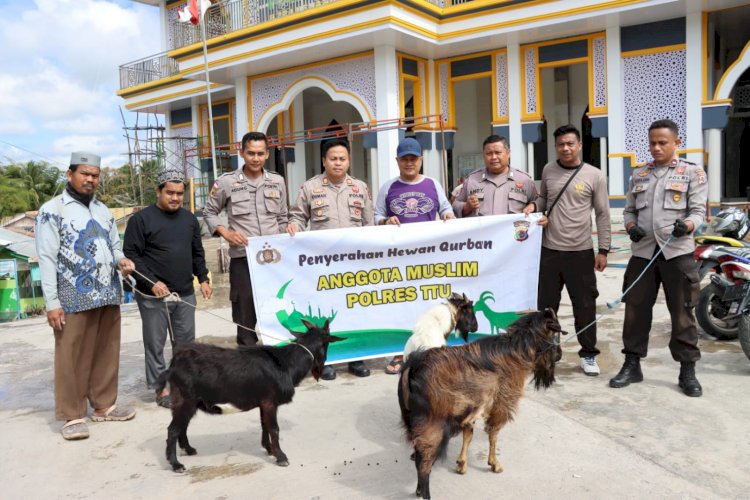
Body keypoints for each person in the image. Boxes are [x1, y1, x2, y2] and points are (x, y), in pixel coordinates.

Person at [36, 151, 137, 441]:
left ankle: (104, 405)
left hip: (107, 291)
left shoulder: (104, 210)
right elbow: (46, 257)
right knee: (71, 355)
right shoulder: (53, 210)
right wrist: (52, 303)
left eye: (95, 175)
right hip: (72, 295)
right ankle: (72, 415)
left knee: (107, 350)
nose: (90, 179)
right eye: (84, 173)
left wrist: (121, 260)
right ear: (70, 174)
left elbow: (114, 245)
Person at [609, 119, 708, 397]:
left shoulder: (692, 172)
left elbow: (699, 211)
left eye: (662, 142)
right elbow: (629, 211)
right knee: (635, 310)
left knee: (683, 312)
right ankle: (632, 364)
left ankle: (687, 370)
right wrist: (631, 228)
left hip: (677, 253)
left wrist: (686, 226)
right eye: (652, 142)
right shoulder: (639, 174)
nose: (656, 147)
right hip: (643, 253)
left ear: (676, 143)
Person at [123, 170, 212, 408]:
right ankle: (160, 388)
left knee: (186, 344)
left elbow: (197, 251)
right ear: (159, 192)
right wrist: (152, 282)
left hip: (184, 293)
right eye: (170, 192)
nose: (175, 198)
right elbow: (132, 255)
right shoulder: (140, 220)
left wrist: (202, 278)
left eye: (179, 193)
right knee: (155, 342)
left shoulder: (189, 219)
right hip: (153, 295)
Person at [287, 137, 373, 380]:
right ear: (324, 161)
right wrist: (293, 225)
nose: (338, 163)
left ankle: (356, 359)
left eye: (342, 159)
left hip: (354, 263)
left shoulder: (360, 188)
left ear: (349, 161)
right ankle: (327, 361)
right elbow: (297, 216)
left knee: (355, 309)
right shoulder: (310, 188)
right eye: (333, 159)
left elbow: (369, 225)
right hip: (323, 265)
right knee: (326, 316)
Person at [528, 125, 611, 376]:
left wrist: (603, 250)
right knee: (546, 308)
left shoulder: (594, 175)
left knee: (584, 306)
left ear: (579, 145)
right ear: (556, 147)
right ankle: (548, 352)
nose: (565, 148)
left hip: (581, 252)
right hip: (550, 252)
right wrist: (533, 206)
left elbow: (602, 214)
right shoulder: (548, 170)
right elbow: (544, 199)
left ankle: (588, 354)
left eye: (570, 143)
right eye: (561, 144)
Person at [374, 137, 455, 374]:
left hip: (429, 260)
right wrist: (385, 220)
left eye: (413, 158)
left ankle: (434, 353)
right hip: (399, 261)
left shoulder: (432, 184)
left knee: (430, 305)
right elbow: (377, 215)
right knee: (402, 305)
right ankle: (402, 354)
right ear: (397, 161)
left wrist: (449, 216)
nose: (409, 163)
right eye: (404, 159)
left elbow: (446, 208)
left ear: (421, 160)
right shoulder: (388, 187)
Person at [203, 131, 288, 346]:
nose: (256, 158)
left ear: (267, 154)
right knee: (245, 315)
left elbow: (283, 217)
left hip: (274, 261)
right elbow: (209, 212)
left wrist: (287, 234)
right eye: (251, 153)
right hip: (243, 259)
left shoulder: (277, 182)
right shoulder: (226, 182)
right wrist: (226, 233)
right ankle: (249, 367)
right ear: (242, 153)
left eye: (260, 153)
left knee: (276, 312)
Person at [452, 135, 539, 217]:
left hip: (513, 232)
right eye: (489, 153)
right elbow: (454, 206)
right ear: (484, 155)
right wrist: (466, 207)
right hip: (482, 232)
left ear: (508, 153)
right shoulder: (472, 180)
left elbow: (538, 205)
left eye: (498, 152)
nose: (493, 157)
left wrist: (533, 206)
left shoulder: (524, 180)